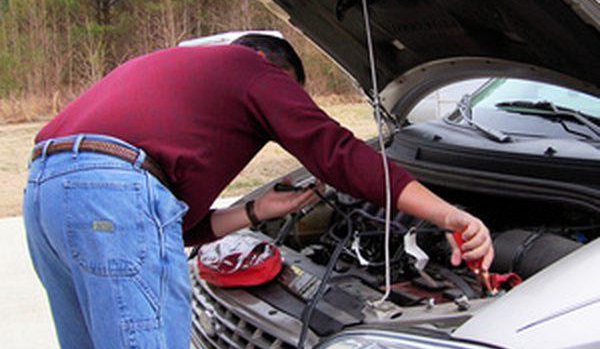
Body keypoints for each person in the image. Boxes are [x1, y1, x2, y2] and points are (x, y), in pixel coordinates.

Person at [23, 34, 493, 349]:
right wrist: (449, 215)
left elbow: (167, 227)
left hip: (48, 191)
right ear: (277, 72)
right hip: (113, 191)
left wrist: (255, 210)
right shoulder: (253, 69)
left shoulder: (180, 71)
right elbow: (337, 152)